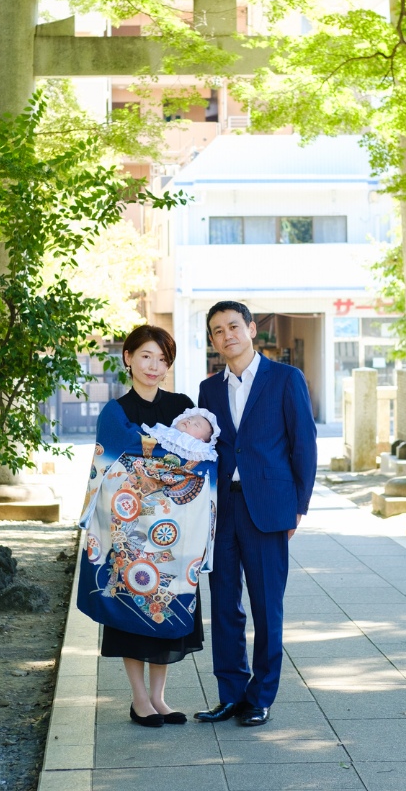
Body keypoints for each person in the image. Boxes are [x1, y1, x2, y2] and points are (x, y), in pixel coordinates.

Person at [76, 325, 215, 728]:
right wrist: (161, 462)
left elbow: (199, 458)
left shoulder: (183, 407)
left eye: (162, 359)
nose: (154, 366)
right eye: (146, 356)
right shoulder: (115, 411)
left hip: (173, 535)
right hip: (132, 533)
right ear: (128, 358)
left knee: (166, 606)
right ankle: (139, 700)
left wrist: (156, 457)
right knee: (132, 607)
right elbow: (114, 463)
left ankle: (159, 697)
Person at [194, 300, 317, 728]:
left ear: (250, 329)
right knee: (224, 605)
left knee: (266, 606)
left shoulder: (286, 378)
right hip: (222, 510)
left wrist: (298, 508)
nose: (226, 335)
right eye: (217, 330)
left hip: (269, 508)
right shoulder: (209, 389)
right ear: (213, 341)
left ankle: (261, 696)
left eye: (233, 326)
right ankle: (230, 694)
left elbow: (304, 444)